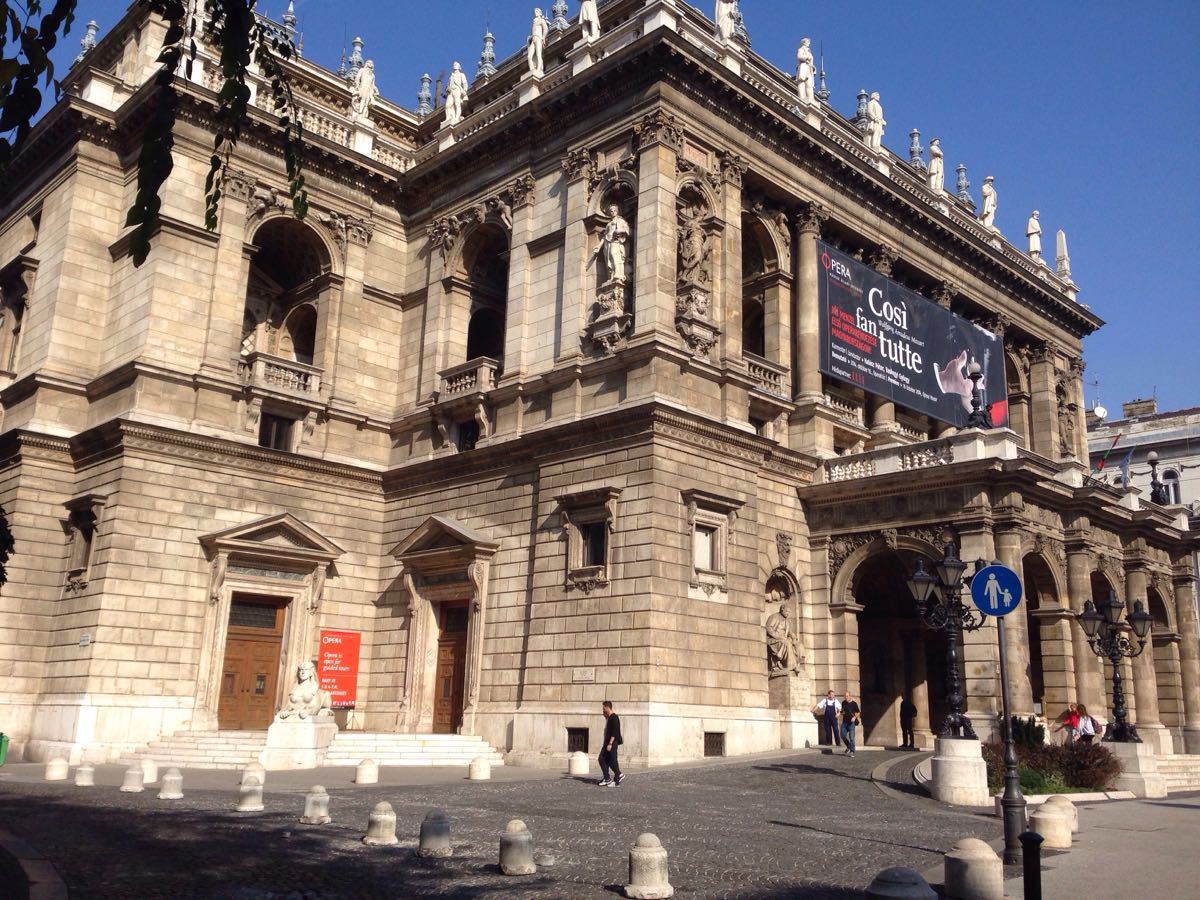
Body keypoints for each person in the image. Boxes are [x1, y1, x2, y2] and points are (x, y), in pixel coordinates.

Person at [598, 700, 624, 786]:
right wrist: (605, 717)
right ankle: (608, 778)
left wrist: (610, 743)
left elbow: (615, 731)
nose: (603, 710)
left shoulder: (614, 717)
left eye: (604, 708)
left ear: (607, 707)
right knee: (604, 759)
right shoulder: (609, 718)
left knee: (612, 760)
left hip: (611, 743)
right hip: (607, 743)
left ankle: (617, 779)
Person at [840, 690, 861, 757]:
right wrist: (840, 713)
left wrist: (854, 717)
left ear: (850, 696)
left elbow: (858, 712)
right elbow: (842, 711)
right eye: (845, 696)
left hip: (851, 723)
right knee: (842, 735)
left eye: (847, 696)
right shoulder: (843, 702)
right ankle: (849, 746)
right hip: (844, 722)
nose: (846, 697)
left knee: (851, 737)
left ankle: (852, 751)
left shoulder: (854, 703)